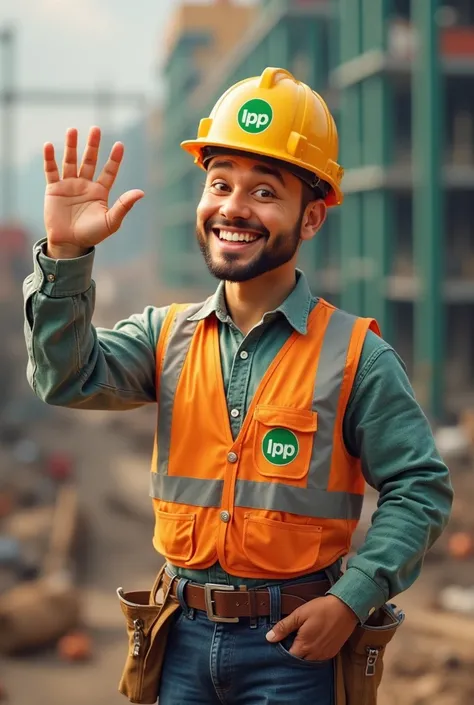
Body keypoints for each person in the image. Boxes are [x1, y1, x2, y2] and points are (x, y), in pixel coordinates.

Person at [23, 67, 453, 705]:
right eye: (220, 184)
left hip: (296, 647)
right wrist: (64, 256)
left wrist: (351, 597)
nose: (233, 207)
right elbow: (66, 377)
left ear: (311, 218)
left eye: (264, 192)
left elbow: (420, 489)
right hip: (176, 636)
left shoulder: (357, 355)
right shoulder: (164, 337)